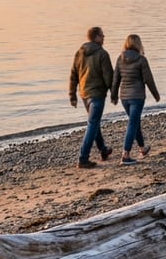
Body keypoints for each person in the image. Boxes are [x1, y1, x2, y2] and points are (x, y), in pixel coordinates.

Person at [109, 33, 161, 165]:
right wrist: (155, 94)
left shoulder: (120, 59)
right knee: (133, 123)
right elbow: (149, 79)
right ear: (138, 44)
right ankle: (125, 155)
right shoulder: (141, 60)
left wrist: (114, 95)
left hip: (124, 97)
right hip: (137, 97)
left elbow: (115, 79)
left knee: (135, 121)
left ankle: (143, 148)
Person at [68, 26, 114, 168]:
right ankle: (83, 158)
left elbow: (73, 75)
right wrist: (114, 92)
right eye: (102, 35)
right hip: (97, 94)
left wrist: (72, 95)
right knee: (93, 123)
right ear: (96, 37)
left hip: (84, 94)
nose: (104, 37)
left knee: (94, 121)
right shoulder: (102, 54)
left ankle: (103, 150)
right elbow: (109, 76)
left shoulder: (79, 53)